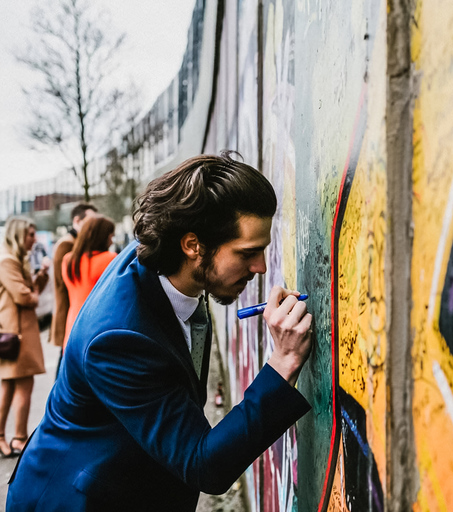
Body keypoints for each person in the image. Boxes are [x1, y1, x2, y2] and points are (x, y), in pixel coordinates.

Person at [8, 152, 313, 511]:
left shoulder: (158, 266)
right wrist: (283, 362)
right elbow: (205, 465)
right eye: (248, 252)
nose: (261, 266)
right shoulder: (120, 340)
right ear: (192, 245)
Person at [0, 217, 49, 458]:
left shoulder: (15, 261)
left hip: (17, 331)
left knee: (9, 387)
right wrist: (33, 294)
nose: (34, 238)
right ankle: (18, 437)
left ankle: (6, 437)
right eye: (30, 234)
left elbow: (30, 291)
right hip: (16, 334)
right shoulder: (7, 261)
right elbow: (24, 297)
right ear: (19, 235)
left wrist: (40, 276)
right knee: (22, 386)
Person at [50, 203, 98, 374]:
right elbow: (64, 282)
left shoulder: (75, 243)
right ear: (77, 221)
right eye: (90, 221)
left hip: (73, 311)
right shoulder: (67, 245)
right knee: (65, 367)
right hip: (70, 311)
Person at [61, 214, 117, 349]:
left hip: (72, 328)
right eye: (110, 236)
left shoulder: (68, 260)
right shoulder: (109, 259)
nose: (112, 241)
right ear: (102, 237)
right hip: (98, 329)